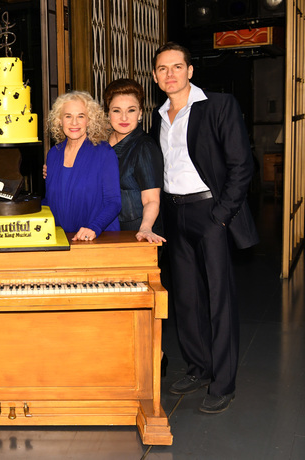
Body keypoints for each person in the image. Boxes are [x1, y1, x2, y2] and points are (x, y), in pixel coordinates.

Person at [151, 42, 258, 413]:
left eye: (177, 67)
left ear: (190, 70)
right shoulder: (159, 115)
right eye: (163, 69)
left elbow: (242, 166)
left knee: (219, 300)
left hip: (210, 212)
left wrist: (221, 216)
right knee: (187, 300)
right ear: (155, 76)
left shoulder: (218, 105)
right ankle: (198, 367)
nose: (170, 74)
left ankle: (224, 382)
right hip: (174, 214)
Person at [43, 91, 121, 241]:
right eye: (68, 116)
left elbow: (114, 202)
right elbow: (51, 201)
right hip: (62, 238)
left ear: (90, 120)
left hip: (97, 238)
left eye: (81, 116)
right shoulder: (53, 154)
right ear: (59, 120)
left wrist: (94, 227)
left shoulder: (104, 153)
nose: (74, 123)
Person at [104, 79, 166, 243]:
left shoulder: (145, 147)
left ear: (140, 113)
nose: (124, 117)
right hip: (105, 229)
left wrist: (145, 228)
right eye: (116, 110)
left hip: (137, 232)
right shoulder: (100, 144)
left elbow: (151, 199)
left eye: (131, 110)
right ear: (108, 113)